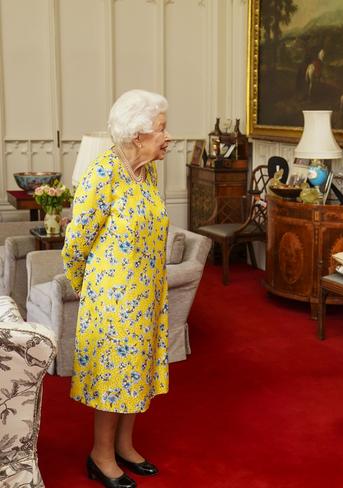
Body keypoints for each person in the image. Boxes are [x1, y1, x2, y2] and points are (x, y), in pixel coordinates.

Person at [62, 89, 171, 488]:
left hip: (146, 295)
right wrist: (88, 289)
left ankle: (125, 446)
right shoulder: (102, 172)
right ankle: (100, 456)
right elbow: (76, 242)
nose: (167, 137)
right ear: (138, 133)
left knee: (136, 373)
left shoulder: (148, 172)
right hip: (112, 299)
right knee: (114, 378)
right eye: (161, 129)